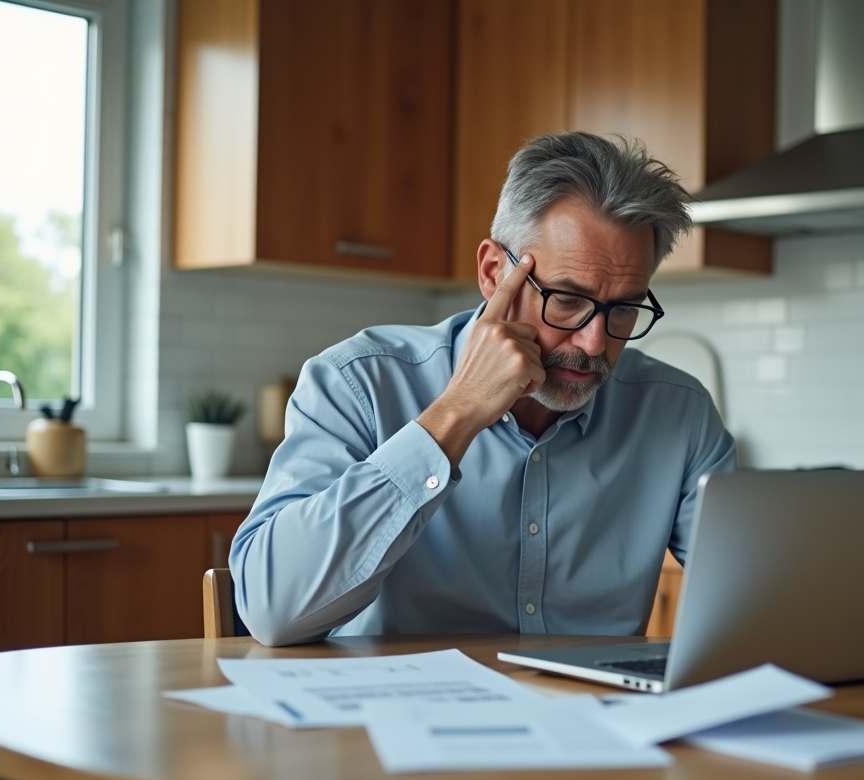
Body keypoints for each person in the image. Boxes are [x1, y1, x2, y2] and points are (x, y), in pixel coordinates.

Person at [231, 132, 736, 646]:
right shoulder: (357, 382)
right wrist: (455, 414)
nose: (591, 342)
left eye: (624, 309)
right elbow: (274, 611)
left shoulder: (680, 414)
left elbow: (751, 600)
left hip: (592, 719)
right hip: (396, 717)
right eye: (566, 300)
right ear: (495, 273)